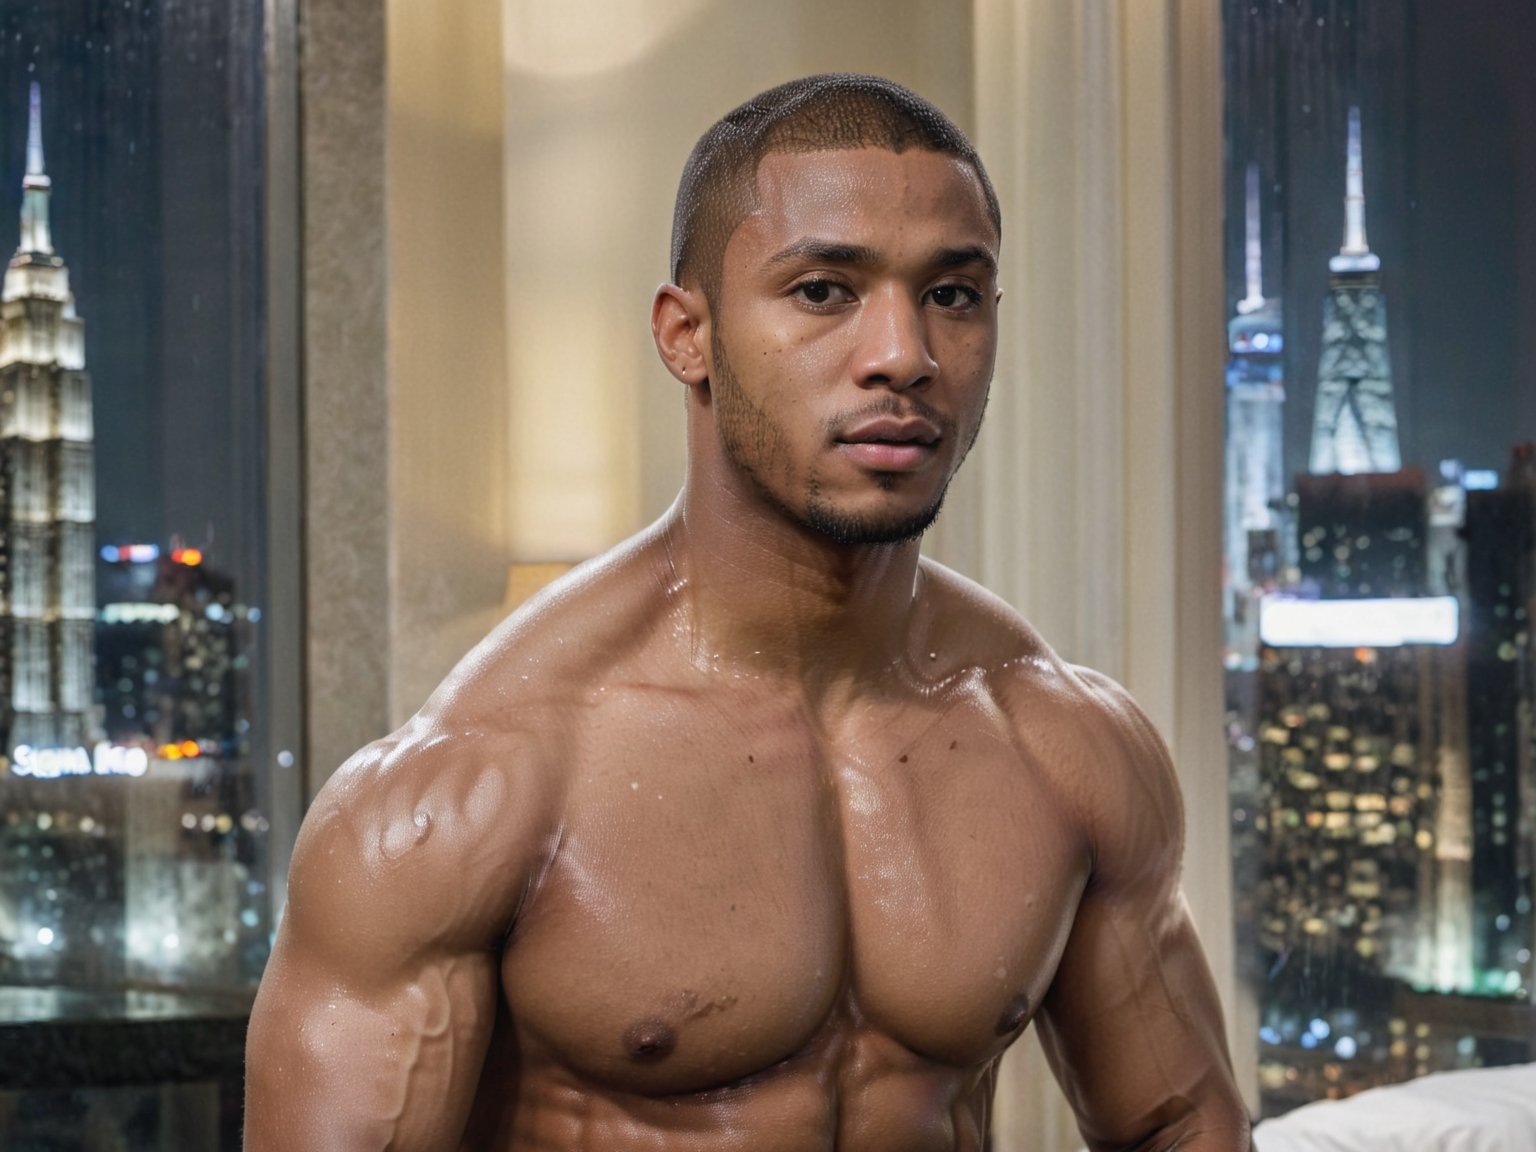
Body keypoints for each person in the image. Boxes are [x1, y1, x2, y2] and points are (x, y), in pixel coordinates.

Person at [245, 73, 1250, 1151]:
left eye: (952, 296)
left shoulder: (1065, 748)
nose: (902, 355)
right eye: (824, 291)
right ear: (687, 335)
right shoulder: (473, 792)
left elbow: (1179, 1122)